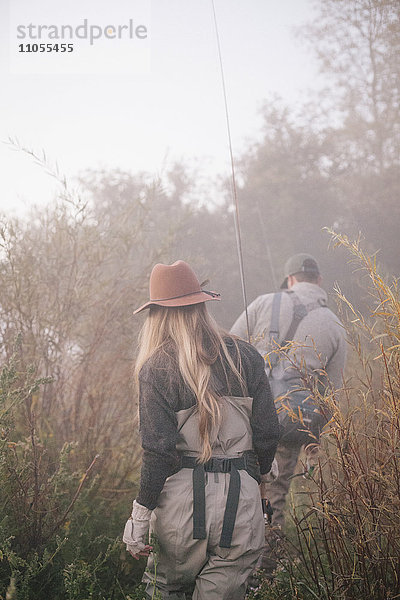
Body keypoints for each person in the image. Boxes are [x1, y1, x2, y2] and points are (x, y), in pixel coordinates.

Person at [123, 260, 280, 600]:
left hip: (180, 508)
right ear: (201, 304)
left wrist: (140, 514)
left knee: (167, 591)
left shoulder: (156, 367)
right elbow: (268, 433)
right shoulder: (247, 356)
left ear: (157, 314)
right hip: (242, 502)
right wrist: (261, 478)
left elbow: (158, 453)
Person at [231, 253, 346, 570]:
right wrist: (313, 439)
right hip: (291, 422)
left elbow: (228, 349)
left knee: (235, 483)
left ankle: (228, 556)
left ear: (290, 279)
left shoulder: (264, 302)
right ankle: (265, 570)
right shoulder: (335, 325)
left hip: (247, 414)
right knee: (275, 492)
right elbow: (330, 397)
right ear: (319, 281)